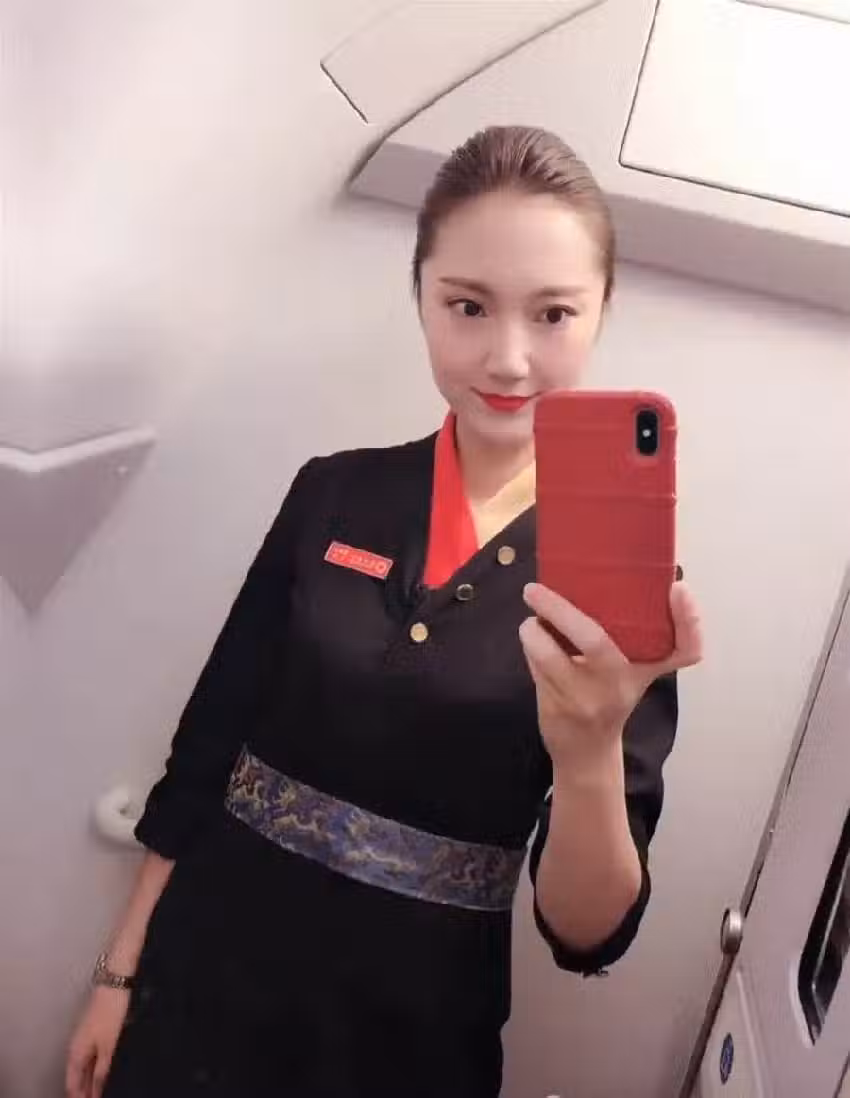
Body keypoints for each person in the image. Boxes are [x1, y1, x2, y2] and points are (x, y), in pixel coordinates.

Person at [66, 124, 702, 1098]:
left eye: (553, 314)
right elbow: (209, 748)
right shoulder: (332, 492)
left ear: (602, 311)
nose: (508, 358)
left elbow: (585, 933)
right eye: (467, 306)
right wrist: (119, 972)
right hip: (201, 987)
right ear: (420, 297)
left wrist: (588, 754)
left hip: (411, 1041)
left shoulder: (619, 579)